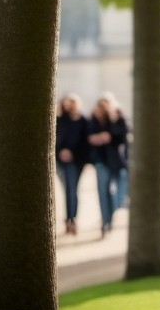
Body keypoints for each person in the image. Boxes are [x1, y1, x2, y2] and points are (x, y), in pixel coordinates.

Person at [87, 93, 128, 237]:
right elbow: (89, 137)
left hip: (115, 161)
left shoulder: (117, 119)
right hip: (100, 161)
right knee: (103, 192)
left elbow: (122, 137)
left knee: (114, 192)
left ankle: (110, 218)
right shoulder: (93, 120)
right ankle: (106, 221)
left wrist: (108, 133)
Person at [55, 93, 90, 235]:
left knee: (72, 189)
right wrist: (61, 152)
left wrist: (72, 153)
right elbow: (56, 139)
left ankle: (72, 219)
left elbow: (85, 142)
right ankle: (69, 219)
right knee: (67, 190)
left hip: (76, 161)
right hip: (61, 161)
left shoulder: (83, 121)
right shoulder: (60, 120)